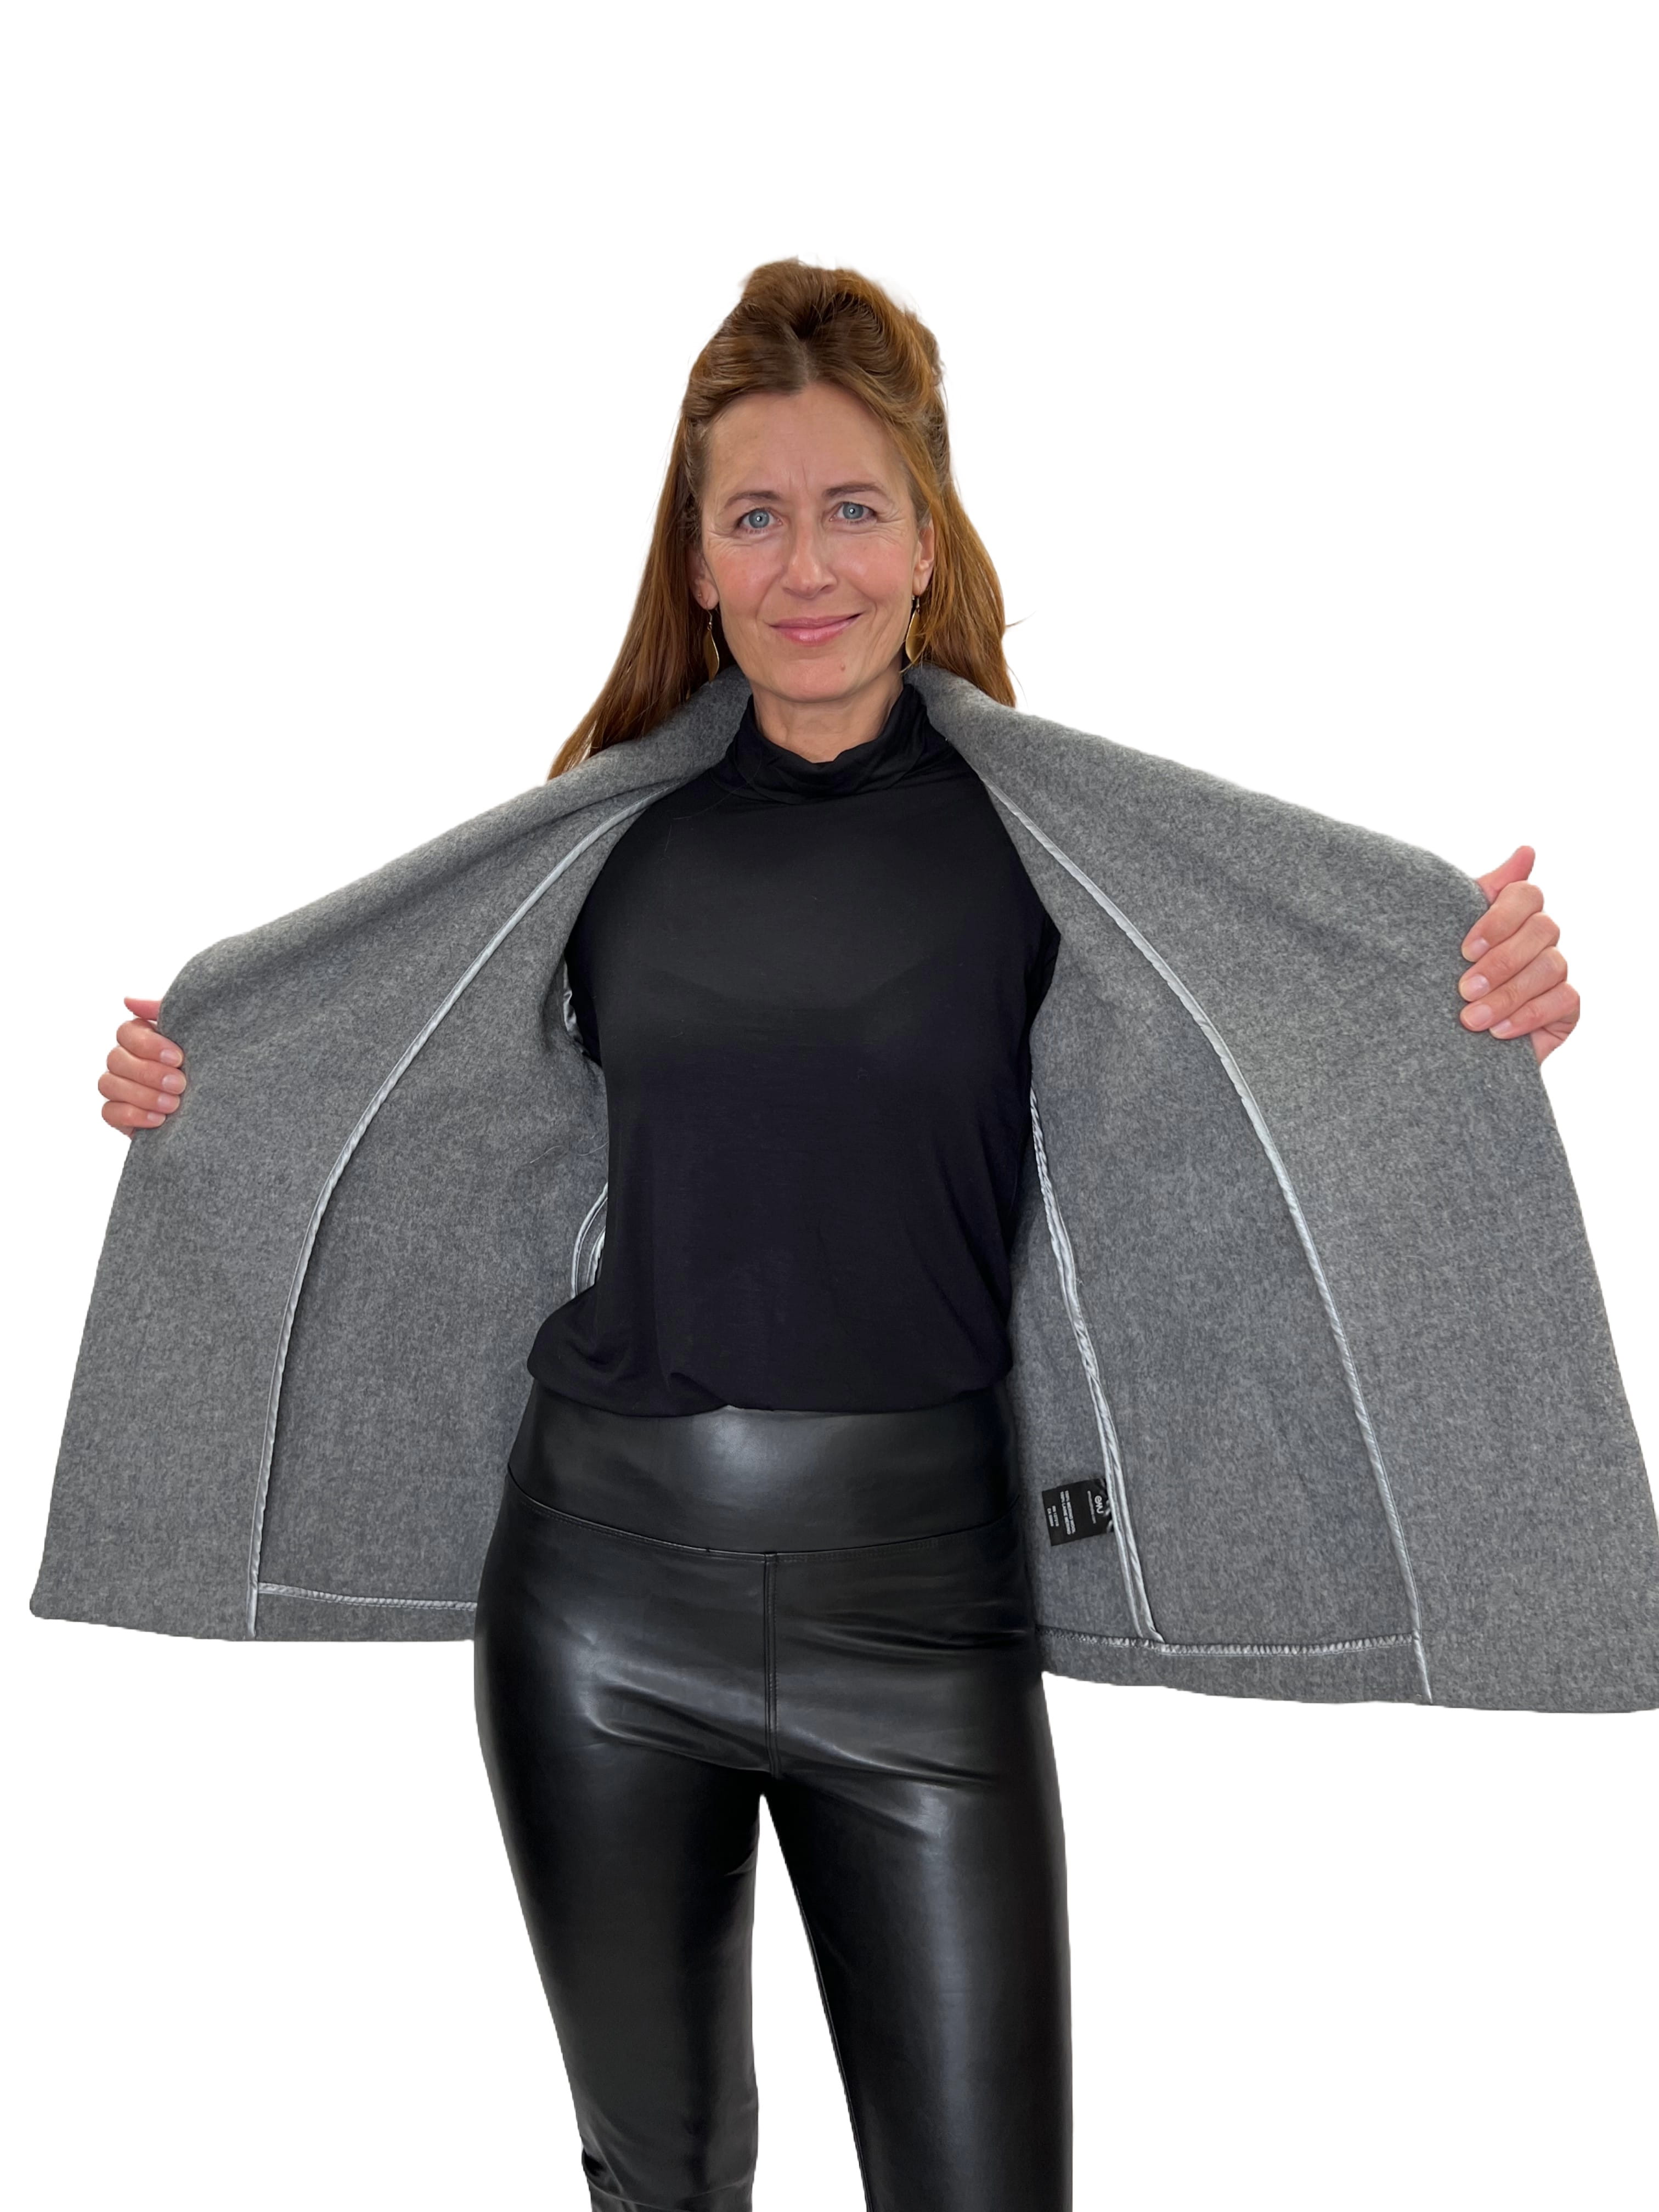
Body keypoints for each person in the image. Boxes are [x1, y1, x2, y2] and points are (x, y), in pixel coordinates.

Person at [87, 263, 1585, 2212]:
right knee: (663, 2186)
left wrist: (1475, 993)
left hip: (929, 1609)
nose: (808, 565)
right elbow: (388, 1083)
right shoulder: (593, 848)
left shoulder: (1049, 843)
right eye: (757, 517)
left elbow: (1298, 1033)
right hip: (601, 1600)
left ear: (927, 540)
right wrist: (198, 1092)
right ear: (698, 560)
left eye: (854, 508)